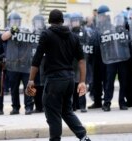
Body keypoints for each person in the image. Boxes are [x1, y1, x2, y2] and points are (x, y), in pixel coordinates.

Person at [26, 9, 91, 141]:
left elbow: (37, 59)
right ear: (62, 21)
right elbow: (82, 60)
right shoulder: (73, 36)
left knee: (52, 110)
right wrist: (82, 81)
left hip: (54, 80)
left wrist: (31, 80)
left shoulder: (46, 34)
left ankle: (55, 139)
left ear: (50, 21)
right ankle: (83, 137)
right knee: (66, 111)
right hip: (69, 80)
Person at [96, 5, 131, 111]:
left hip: (121, 57)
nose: (101, 18)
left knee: (123, 80)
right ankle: (107, 102)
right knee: (109, 81)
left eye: (103, 15)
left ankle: (122, 102)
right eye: (100, 16)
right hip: (110, 59)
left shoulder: (115, 26)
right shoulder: (101, 29)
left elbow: (126, 41)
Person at [2, 12, 34, 115]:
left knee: (27, 87)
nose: (15, 23)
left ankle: (28, 107)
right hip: (13, 65)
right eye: (13, 21)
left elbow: (32, 38)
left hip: (25, 65)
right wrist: (12, 30)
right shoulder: (8, 30)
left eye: (17, 21)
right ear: (9, 22)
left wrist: (26, 31)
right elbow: (3, 37)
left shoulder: (25, 30)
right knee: (14, 88)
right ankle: (15, 107)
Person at [32, 14, 46, 113]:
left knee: (45, 86)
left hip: (45, 63)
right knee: (36, 85)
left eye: (39, 22)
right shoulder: (31, 34)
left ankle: (45, 106)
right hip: (36, 63)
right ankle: (38, 106)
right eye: (36, 22)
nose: (38, 24)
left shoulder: (46, 33)